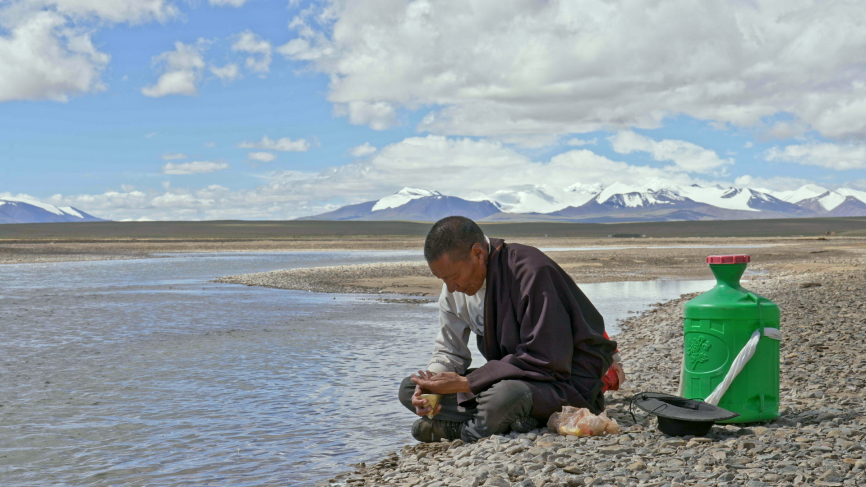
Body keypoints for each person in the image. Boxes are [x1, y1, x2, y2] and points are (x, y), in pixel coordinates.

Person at [398, 216, 624, 443]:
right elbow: (450, 352)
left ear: (477, 253)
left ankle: (456, 431)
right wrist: (430, 388)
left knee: (504, 396)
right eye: (442, 279)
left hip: (564, 383)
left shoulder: (531, 272)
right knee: (408, 388)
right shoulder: (454, 290)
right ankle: (516, 420)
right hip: (514, 378)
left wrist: (468, 383)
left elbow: (549, 358)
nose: (451, 287)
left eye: (454, 277)